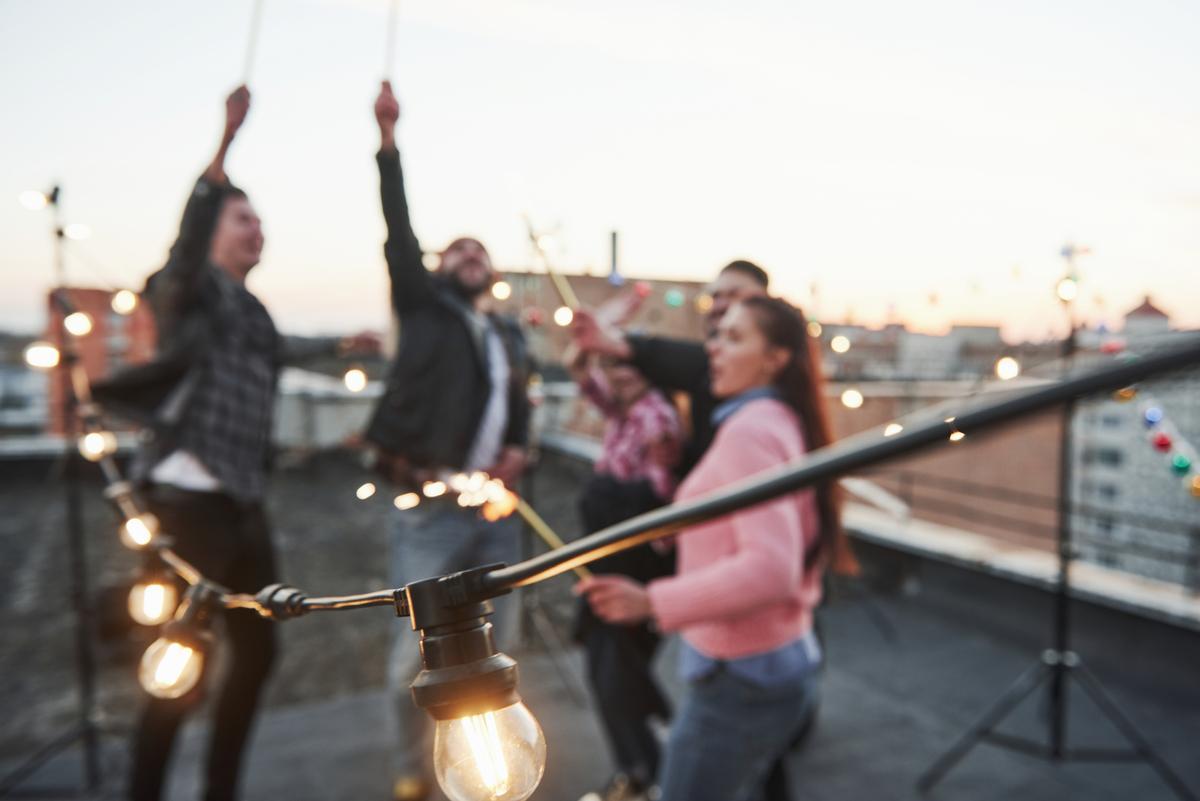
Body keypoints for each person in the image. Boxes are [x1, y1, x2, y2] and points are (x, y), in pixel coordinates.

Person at [578, 296, 854, 801]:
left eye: (734, 337)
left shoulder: (751, 431)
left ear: (775, 358)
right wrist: (686, 528)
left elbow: (771, 569)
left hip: (740, 677)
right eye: (717, 335)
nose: (714, 348)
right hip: (769, 663)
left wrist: (650, 602)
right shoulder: (775, 419)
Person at [364, 80, 534, 801]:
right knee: (413, 656)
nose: (469, 254)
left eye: (479, 250)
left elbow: (519, 405)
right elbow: (399, 234)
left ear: (491, 272)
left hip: (495, 512)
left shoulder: (505, 333)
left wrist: (521, 448)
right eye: (457, 249)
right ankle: (414, 772)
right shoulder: (424, 307)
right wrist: (388, 142)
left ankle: (488, 771)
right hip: (430, 506)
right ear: (438, 267)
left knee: (500, 648)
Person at [566, 345, 682, 801]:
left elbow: (659, 502)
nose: (621, 374)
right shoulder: (625, 412)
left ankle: (649, 769)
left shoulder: (657, 418)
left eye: (632, 364)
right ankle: (642, 765)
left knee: (615, 675)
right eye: (615, 365)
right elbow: (594, 388)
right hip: (613, 557)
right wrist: (586, 358)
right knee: (611, 672)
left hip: (635, 566)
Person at [572, 260, 769, 473]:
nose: (720, 305)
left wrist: (618, 342)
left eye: (734, 294)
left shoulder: (761, 417)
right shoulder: (621, 410)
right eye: (715, 296)